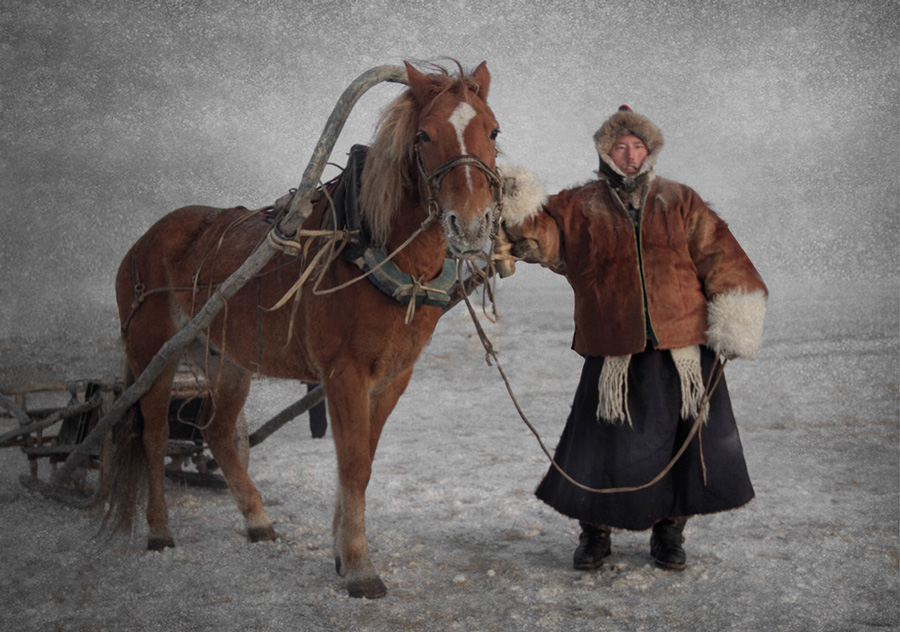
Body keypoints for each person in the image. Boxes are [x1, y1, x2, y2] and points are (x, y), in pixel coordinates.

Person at [498, 106, 768, 571]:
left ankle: (669, 536)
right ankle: (595, 536)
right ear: (605, 151)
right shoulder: (578, 204)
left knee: (681, 447)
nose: (628, 154)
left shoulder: (680, 200)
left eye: (637, 146)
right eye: (620, 146)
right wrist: (517, 199)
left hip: (682, 347)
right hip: (612, 348)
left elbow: (720, 255)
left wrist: (735, 318)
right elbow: (538, 235)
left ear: (650, 151)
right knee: (600, 448)